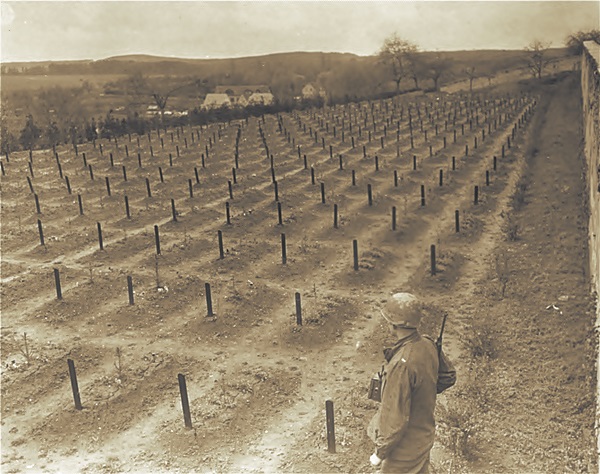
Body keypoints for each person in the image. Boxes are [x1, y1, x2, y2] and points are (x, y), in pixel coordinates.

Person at [368, 292, 456, 473]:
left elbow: (395, 418)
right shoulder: (428, 344)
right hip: (423, 438)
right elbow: (448, 376)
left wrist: (380, 453)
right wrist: (423, 392)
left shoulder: (401, 366)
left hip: (403, 451)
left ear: (395, 324)